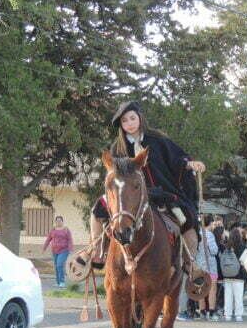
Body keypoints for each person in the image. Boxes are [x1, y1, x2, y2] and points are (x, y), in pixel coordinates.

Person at [88, 101, 206, 266]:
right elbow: (113, 174)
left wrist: (189, 164)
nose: (129, 123)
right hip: (129, 195)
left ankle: (190, 263)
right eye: (125, 121)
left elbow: (176, 158)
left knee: (185, 217)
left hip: (161, 192)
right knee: (97, 209)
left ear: (140, 118)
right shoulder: (117, 148)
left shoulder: (157, 140)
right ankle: (97, 250)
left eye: (132, 118)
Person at [221, 226, 247, 322]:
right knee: (238, 297)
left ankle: (227, 315)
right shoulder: (242, 247)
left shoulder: (226, 247)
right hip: (239, 276)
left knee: (228, 296)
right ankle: (238, 315)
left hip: (227, 276)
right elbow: (244, 261)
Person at [195, 215, 220, 320]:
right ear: (210, 223)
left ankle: (202, 311)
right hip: (210, 267)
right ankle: (212, 311)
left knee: (201, 289)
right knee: (212, 289)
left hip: (199, 266)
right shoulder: (209, 235)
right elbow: (214, 250)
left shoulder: (196, 234)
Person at [43, 216, 73, 288]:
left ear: (62, 222)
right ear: (55, 222)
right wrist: (44, 248)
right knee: (56, 266)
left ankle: (62, 282)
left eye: (60, 221)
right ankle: (58, 282)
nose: (58, 222)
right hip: (54, 251)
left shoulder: (66, 230)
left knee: (59, 265)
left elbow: (70, 240)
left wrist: (70, 249)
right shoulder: (53, 230)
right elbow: (48, 239)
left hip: (64, 250)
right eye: (57, 221)